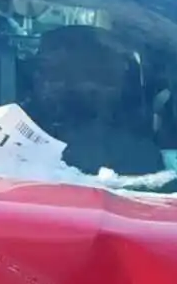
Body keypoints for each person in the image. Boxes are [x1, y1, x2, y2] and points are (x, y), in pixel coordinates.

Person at [25, 25, 162, 175]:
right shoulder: (6, 128)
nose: (46, 82)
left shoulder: (135, 153)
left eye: (57, 74)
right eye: (45, 71)